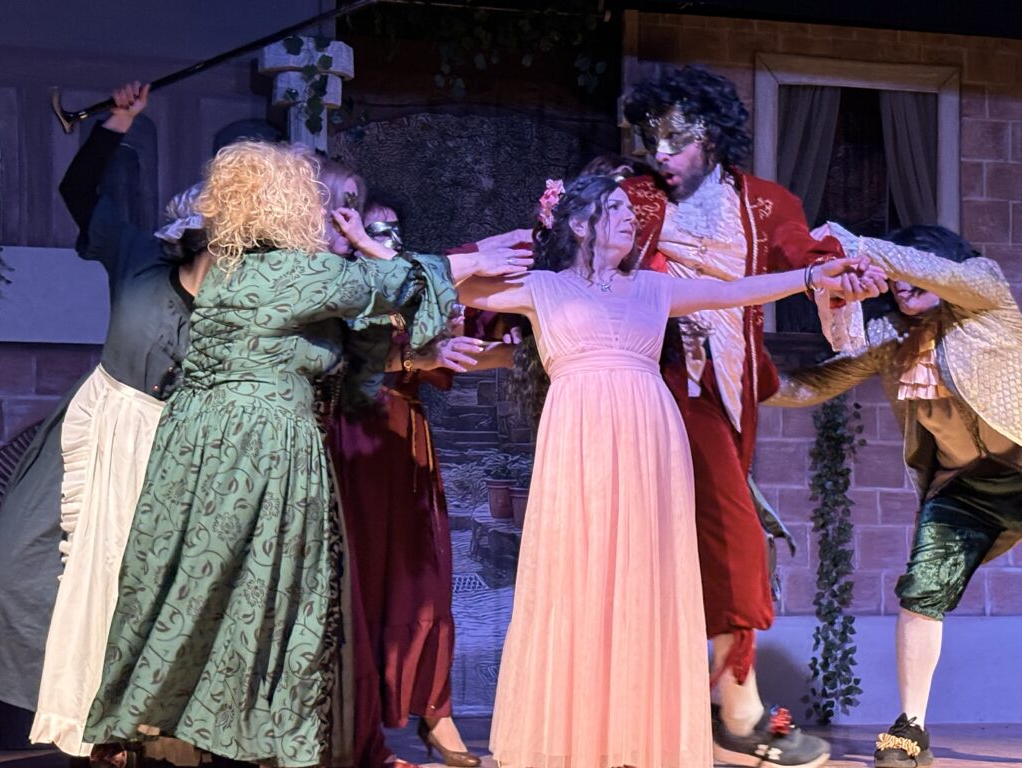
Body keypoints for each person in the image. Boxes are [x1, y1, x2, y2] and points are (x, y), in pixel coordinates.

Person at [456, 174, 872, 768]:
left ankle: (641, 737)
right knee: (578, 576)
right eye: (615, 208)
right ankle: (575, 737)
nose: (631, 217)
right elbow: (458, 286)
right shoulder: (542, 287)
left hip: (650, 440)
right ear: (580, 225)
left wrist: (811, 277)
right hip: (578, 441)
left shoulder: (653, 288)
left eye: (631, 208)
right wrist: (479, 253)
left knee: (644, 577)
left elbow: (738, 291)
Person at [79, 141, 468, 768]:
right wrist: (392, 249)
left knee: (196, 583)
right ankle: (260, 734)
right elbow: (394, 283)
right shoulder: (289, 272)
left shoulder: (228, 269)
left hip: (198, 443)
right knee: (273, 590)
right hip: (262, 443)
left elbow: (352, 343)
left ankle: (151, 723)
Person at [622, 65, 885, 768]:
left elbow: (806, 253)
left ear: (712, 135)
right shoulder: (634, 198)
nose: (660, 152)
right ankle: (737, 711)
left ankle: (698, 704)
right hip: (658, 384)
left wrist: (842, 274)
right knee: (731, 535)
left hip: (733, 389)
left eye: (676, 138)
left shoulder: (764, 202)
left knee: (706, 540)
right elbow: (581, 259)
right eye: (650, 138)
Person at [0, 81, 210, 763]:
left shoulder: (240, 305)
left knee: (138, 592)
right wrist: (118, 121)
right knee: (19, 563)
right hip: (94, 432)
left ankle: (124, 731)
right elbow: (79, 192)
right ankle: (68, 708)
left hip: (170, 450)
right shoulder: (138, 258)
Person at [769, 224, 1022, 768]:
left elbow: (936, 272)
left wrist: (859, 246)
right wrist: (736, 378)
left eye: (913, 266)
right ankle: (911, 729)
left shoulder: (983, 288)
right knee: (921, 592)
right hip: (966, 487)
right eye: (897, 278)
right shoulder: (890, 336)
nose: (904, 282)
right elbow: (815, 383)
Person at [321, 198, 522, 768]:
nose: (386, 235)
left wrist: (515, 356)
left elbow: (446, 356)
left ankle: (436, 711)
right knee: (363, 580)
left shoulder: (413, 291)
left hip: (405, 438)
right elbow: (355, 361)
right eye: (373, 226)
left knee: (424, 577)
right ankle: (359, 724)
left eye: (393, 227)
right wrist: (414, 357)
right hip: (350, 438)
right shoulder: (337, 289)